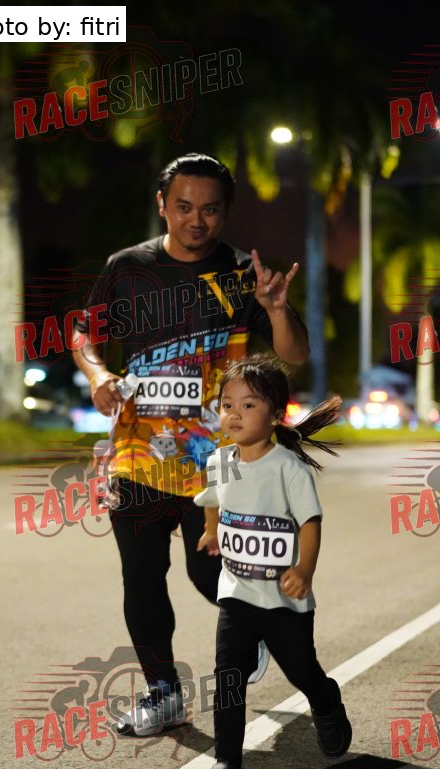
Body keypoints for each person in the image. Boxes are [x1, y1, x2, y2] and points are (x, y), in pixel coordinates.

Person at [72, 153, 310, 736]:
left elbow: (295, 353)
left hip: (218, 457)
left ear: (225, 212)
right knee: (141, 576)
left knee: (212, 573)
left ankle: (257, 625)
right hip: (138, 452)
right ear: (162, 205)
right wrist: (98, 374)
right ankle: (164, 694)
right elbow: (84, 334)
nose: (195, 220)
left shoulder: (242, 274)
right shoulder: (128, 268)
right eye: (183, 207)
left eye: (209, 210)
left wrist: (277, 309)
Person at [185, 353, 351, 769]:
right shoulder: (221, 461)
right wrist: (210, 530)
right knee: (228, 677)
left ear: (276, 415)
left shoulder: (287, 468)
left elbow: (310, 522)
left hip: (283, 601)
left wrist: (304, 570)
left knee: (301, 670)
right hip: (236, 593)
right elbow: (213, 499)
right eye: (227, 405)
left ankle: (325, 700)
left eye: (248, 405)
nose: (234, 414)